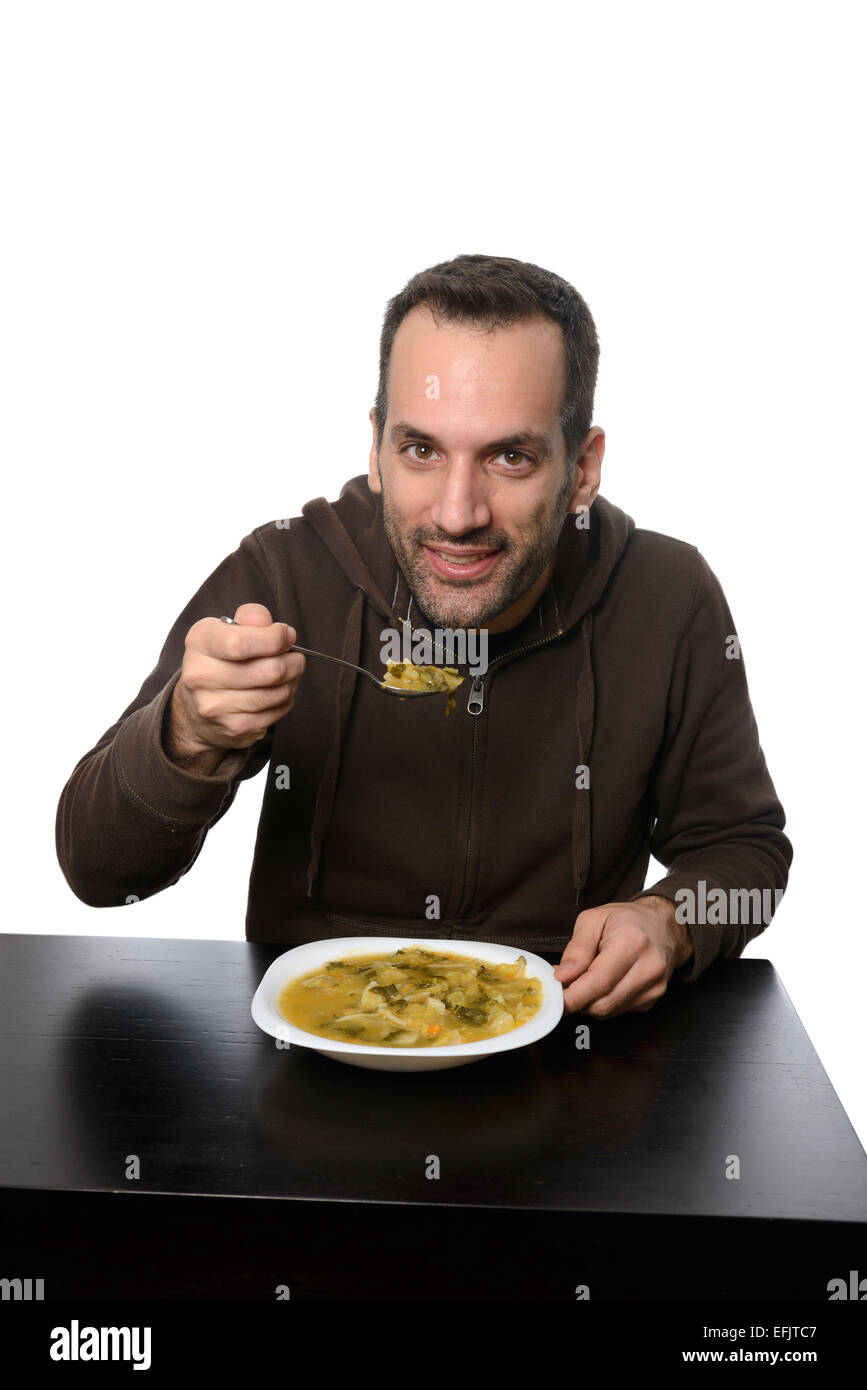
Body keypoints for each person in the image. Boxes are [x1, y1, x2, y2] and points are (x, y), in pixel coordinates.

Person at [55, 253, 792, 1018]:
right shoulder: (283, 572)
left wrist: (671, 921)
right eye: (420, 450)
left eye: (510, 456)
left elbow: (748, 857)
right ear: (375, 447)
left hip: (569, 1049)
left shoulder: (667, 594)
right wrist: (186, 737)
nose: (456, 512)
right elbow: (96, 873)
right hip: (314, 1050)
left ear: (581, 467)